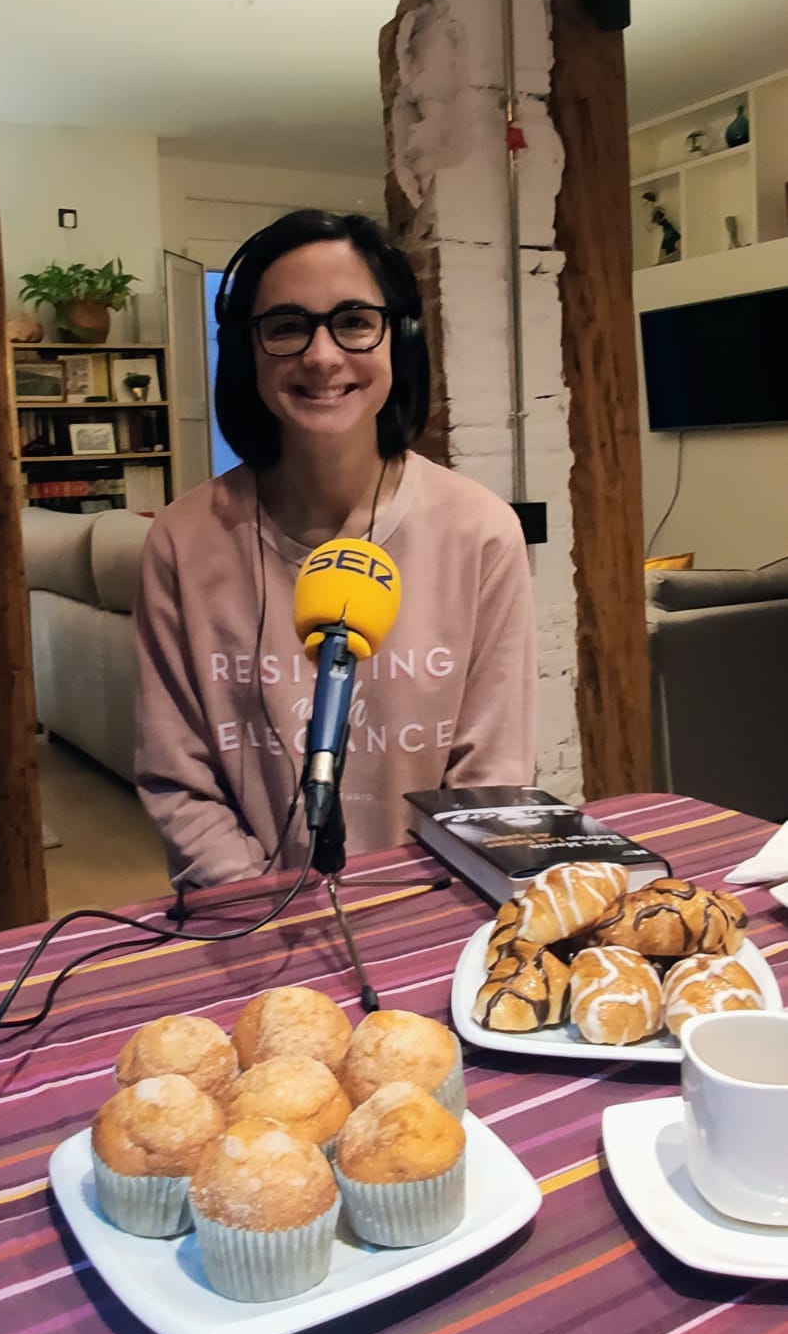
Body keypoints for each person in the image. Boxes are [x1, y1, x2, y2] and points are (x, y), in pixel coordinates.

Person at [134, 209, 536, 889]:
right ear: (247, 351)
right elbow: (180, 780)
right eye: (287, 326)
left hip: (432, 914)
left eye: (353, 321)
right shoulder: (181, 542)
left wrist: (415, 920)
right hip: (248, 924)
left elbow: (490, 781)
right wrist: (264, 911)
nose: (322, 356)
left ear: (399, 340)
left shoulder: (481, 533)